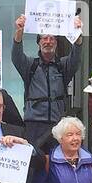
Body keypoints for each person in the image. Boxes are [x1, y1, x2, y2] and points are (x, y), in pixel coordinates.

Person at [11, 12, 83, 147]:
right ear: (38, 42)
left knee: (57, 161)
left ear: (56, 43)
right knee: (34, 161)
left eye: (52, 39)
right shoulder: (30, 65)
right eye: (44, 38)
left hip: (58, 123)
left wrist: (77, 33)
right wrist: (19, 31)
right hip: (34, 125)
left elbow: (76, 55)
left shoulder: (63, 66)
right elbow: (16, 56)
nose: (48, 42)